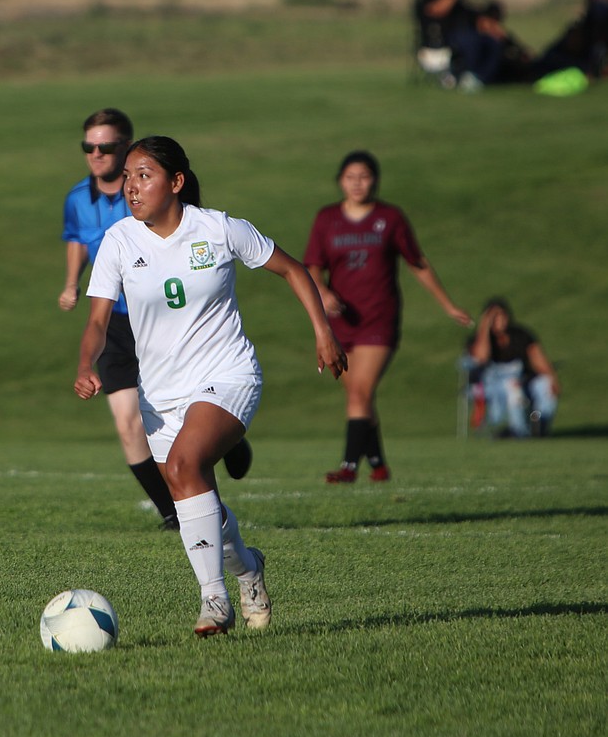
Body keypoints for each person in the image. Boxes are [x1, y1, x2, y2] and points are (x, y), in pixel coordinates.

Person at [74, 136, 347, 636]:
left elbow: (293, 270)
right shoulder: (118, 241)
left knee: (183, 465)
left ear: (176, 182)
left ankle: (213, 603)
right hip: (160, 394)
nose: (131, 187)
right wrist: (85, 364)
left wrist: (323, 332)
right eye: (129, 177)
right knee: (196, 501)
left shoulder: (219, 228)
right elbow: (96, 321)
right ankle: (248, 569)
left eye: (144, 175)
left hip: (228, 375)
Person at [60, 109, 252, 531]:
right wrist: (73, 281)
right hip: (117, 321)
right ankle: (173, 511)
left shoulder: (154, 191)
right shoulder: (78, 198)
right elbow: (77, 240)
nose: (96, 154)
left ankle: (225, 435)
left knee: (188, 416)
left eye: (107, 146)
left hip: (166, 321)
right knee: (129, 424)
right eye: (88, 146)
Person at [304, 151, 472, 484]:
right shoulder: (327, 219)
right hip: (341, 323)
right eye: (351, 177)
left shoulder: (390, 218)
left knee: (360, 393)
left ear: (375, 180)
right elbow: (312, 265)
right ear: (340, 180)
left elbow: (417, 261)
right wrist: (322, 292)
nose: (357, 183)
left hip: (378, 319)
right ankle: (379, 465)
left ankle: (349, 467)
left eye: (364, 176)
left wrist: (448, 305)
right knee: (360, 397)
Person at [467, 297, 560, 437]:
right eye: (494, 316)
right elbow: (481, 357)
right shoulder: (479, 339)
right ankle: (519, 431)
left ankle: (539, 426)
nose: (500, 320)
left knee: (546, 386)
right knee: (513, 387)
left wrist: (552, 379)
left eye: (502, 315)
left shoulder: (520, 335)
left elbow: (538, 358)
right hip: (492, 386)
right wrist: (484, 326)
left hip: (523, 381)